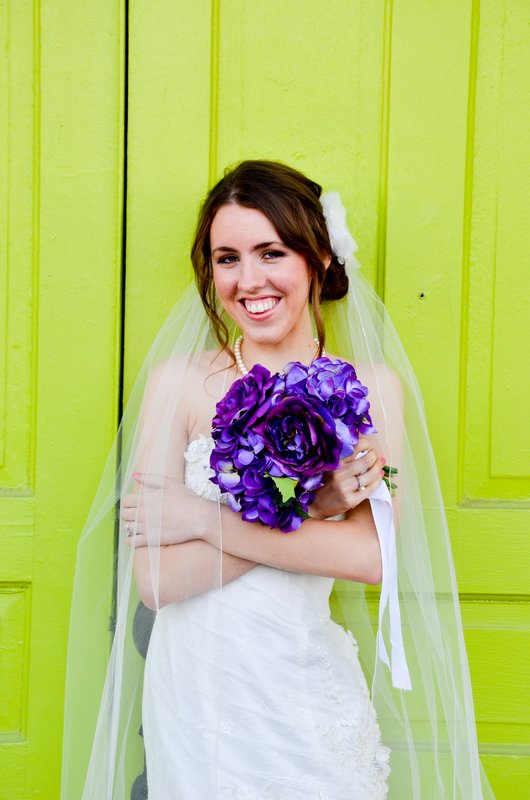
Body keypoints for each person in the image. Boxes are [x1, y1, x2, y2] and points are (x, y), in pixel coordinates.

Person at [61, 161, 495, 799]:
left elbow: (371, 556)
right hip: (196, 696)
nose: (249, 280)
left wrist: (202, 519)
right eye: (227, 258)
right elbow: (156, 581)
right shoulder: (176, 384)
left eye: (272, 252)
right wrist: (313, 511)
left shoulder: (371, 390)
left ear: (319, 257)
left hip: (300, 688)